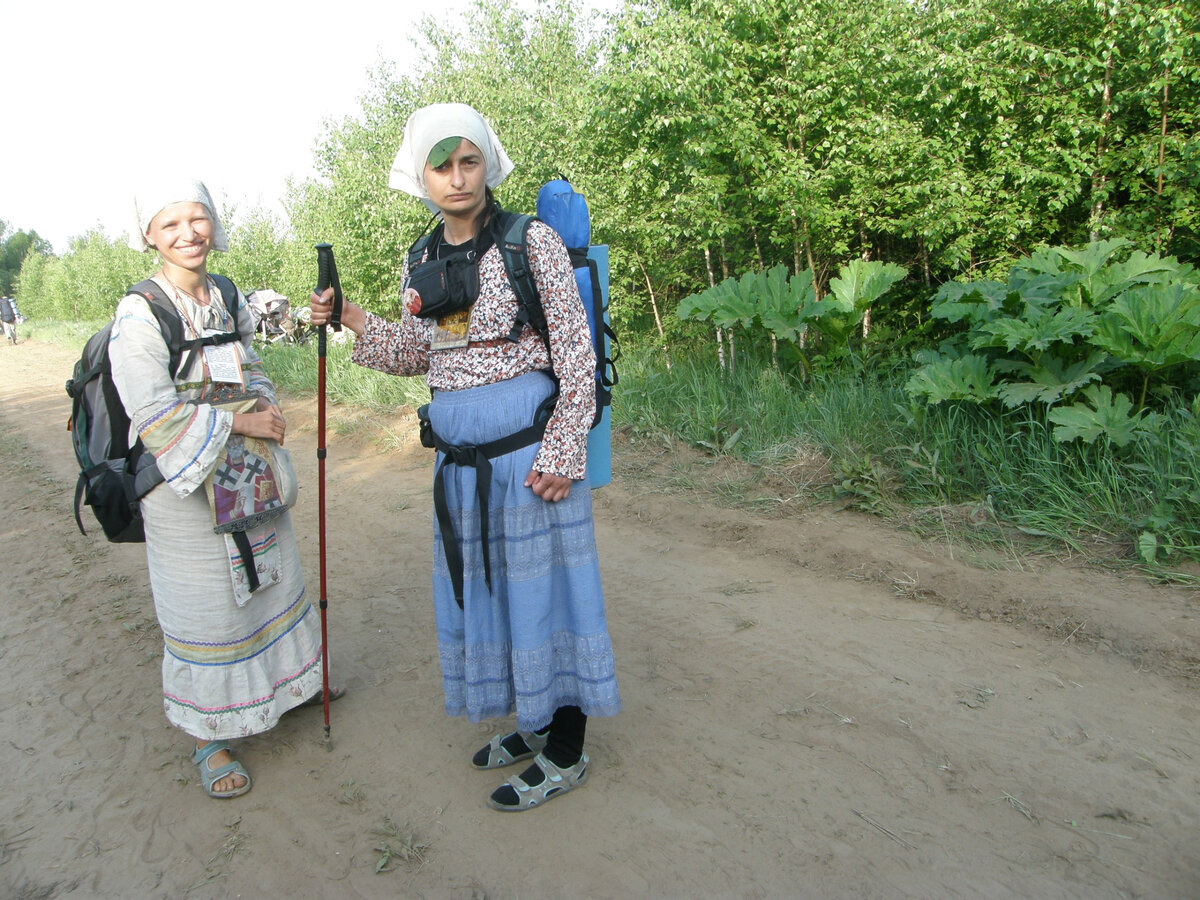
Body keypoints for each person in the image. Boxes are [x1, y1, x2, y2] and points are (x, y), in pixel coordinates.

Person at [310, 103, 620, 811]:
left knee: (551, 595)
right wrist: (355, 319)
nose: (457, 178)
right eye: (442, 165)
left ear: (487, 164)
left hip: (531, 459)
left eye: (468, 161)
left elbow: (578, 358)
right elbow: (424, 355)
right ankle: (529, 720)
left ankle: (565, 750)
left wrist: (564, 450)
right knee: (495, 593)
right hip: (461, 466)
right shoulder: (423, 259)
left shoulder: (528, 242)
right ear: (418, 175)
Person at [109, 180, 339, 800]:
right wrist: (241, 421)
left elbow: (250, 361)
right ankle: (208, 738)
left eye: (197, 218)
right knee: (204, 607)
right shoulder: (139, 315)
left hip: (245, 468)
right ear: (149, 235)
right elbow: (152, 414)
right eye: (171, 223)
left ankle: (291, 684)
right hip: (182, 482)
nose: (189, 233)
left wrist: (265, 405)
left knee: (273, 577)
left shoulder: (227, 294)